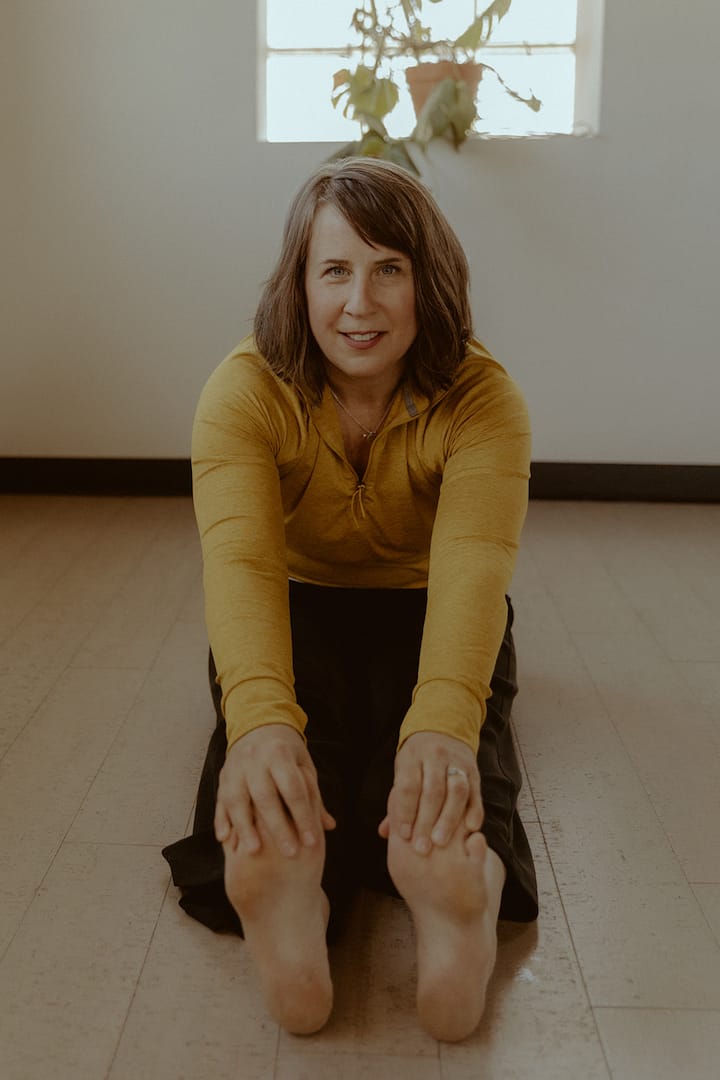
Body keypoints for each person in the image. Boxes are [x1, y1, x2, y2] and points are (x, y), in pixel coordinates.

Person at [162, 157, 538, 1042]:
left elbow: (475, 567)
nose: (359, 303)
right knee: (283, 759)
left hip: (429, 604)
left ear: (428, 280)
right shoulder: (244, 391)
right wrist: (259, 722)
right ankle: (290, 896)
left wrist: (443, 726)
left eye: (388, 269)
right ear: (298, 282)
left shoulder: (483, 399)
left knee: (447, 766)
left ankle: (463, 888)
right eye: (334, 270)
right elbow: (241, 564)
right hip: (296, 603)